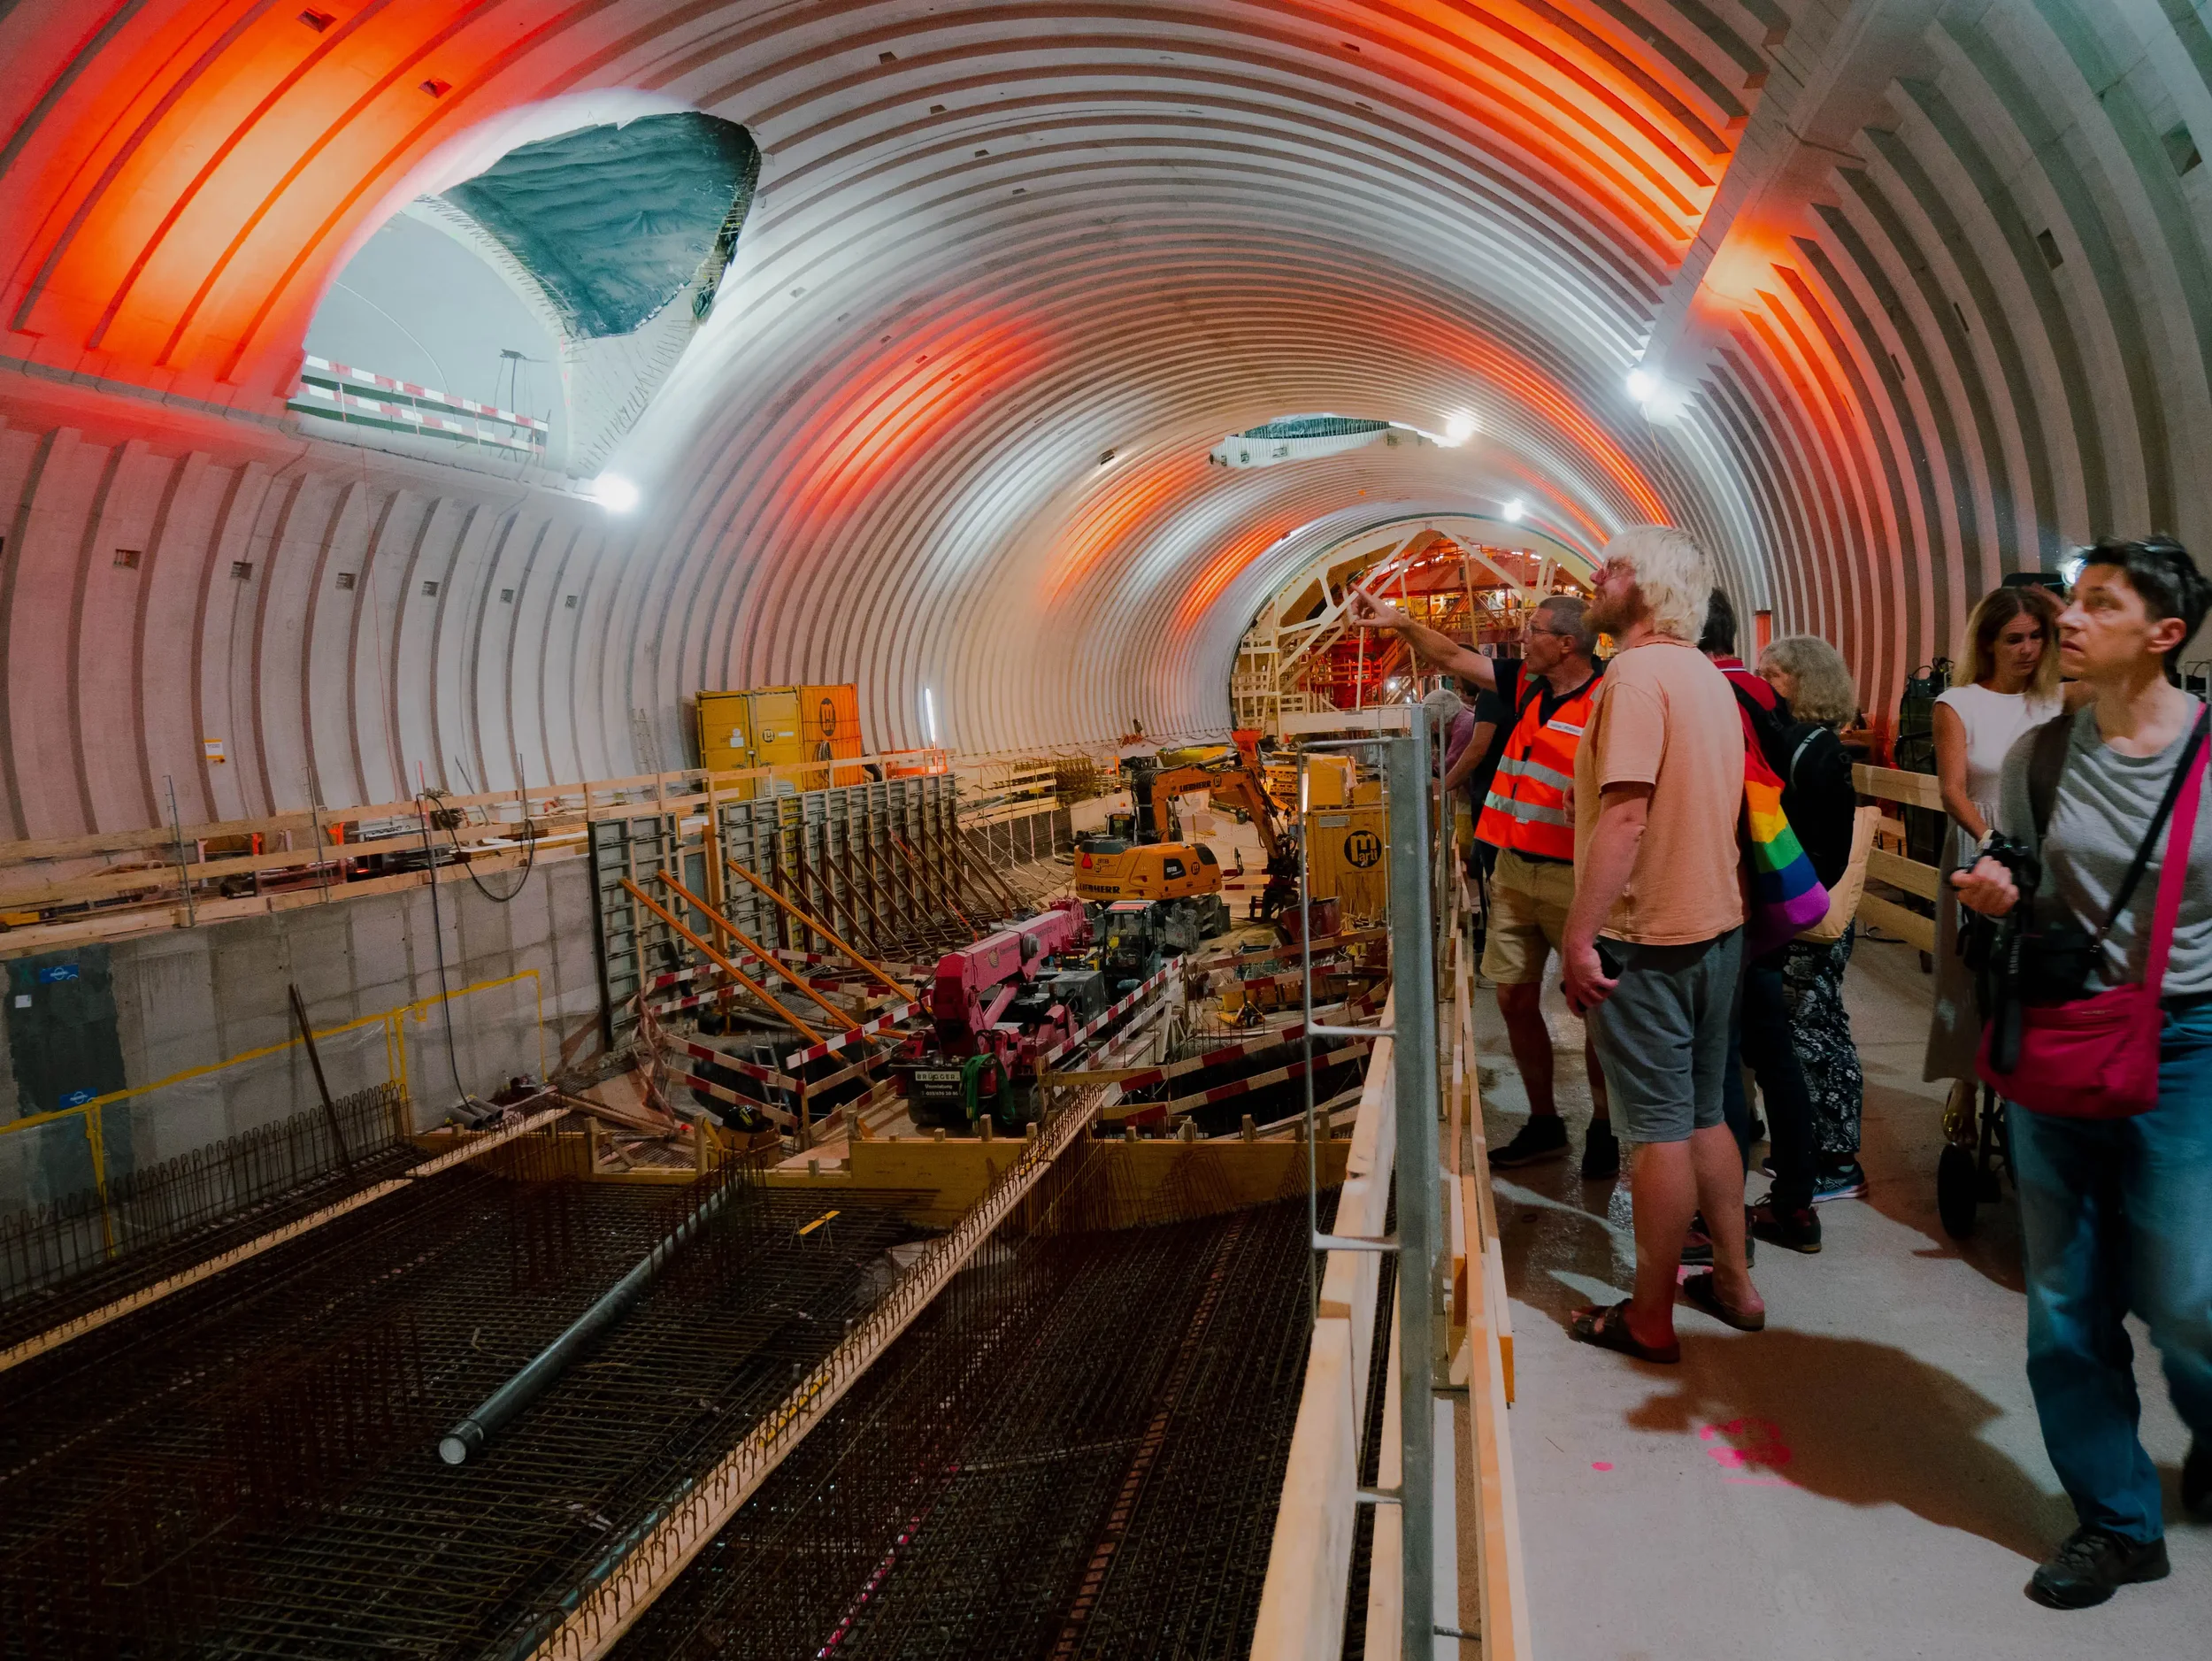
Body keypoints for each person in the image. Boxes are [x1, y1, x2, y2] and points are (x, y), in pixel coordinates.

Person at [1952, 535, 2212, 1608]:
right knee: (2063, 1300)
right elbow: (2017, 863)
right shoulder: (2039, 757)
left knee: (2188, 1287)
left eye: (2097, 604)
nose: (2067, 618)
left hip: (2191, 1039)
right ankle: (2116, 1520)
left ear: (2164, 633)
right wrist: (1999, 893)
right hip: (2058, 1033)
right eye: (2070, 600)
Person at [1560, 527, 1756, 1363]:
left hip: (1647, 937)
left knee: (1658, 1131)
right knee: (1708, 1112)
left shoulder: (1634, 677)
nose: (1595, 578)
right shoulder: (1707, 676)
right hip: (1717, 929)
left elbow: (1628, 815)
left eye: (1614, 566)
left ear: (1648, 588)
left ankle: (1649, 1314)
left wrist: (1578, 935)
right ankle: (1737, 1284)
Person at [1351, 589, 1617, 1179]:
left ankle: (1605, 1123)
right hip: (1516, 870)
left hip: (1579, 877)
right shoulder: (1524, 683)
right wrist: (1400, 622)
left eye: (1534, 628)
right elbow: (1451, 657)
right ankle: (1545, 1121)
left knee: (1596, 1013)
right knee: (1514, 996)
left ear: (1567, 643)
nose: (1523, 636)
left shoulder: (1610, 699)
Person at [1694, 589, 1825, 1254]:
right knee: (1777, 1056)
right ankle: (1798, 1204)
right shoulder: (1767, 692)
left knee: (1716, 1063)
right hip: (1779, 893)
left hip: (1729, 899)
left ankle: (1723, 1221)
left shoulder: (1704, 694)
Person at [1925, 586, 2063, 1133]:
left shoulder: (2055, 705)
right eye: (2014, 638)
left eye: (2036, 637)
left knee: (2028, 975)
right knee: (1969, 973)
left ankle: (2025, 1087)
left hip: (2039, 851)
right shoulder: (1958, 703)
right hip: (1980, 845)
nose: (2027, 649)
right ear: (1987, 643)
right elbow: (1953, 790)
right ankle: (1966, 1081)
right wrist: (1991, 842)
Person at [1750, 636, 1868, 1242]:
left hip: (1804, 917)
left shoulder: (1814, 751)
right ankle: (1816, 1152)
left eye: (1773, 673)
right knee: (1803, 1035)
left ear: (1804, 680)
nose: (1763, 681)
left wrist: (1793, 901)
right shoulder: (1807, 744)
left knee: (1816, 1036)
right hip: (1800, 911)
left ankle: (1838, 1160)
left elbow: (1826, 848)